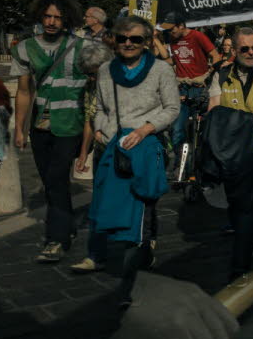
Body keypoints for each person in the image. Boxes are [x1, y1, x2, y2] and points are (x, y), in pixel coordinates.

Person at [75, 17, 178, 307]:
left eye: (135, 39)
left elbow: (172, 108)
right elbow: (103, 108)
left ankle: (133, 284)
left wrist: (146, 129)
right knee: (115, 214)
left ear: (146, 41)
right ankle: (129, 272)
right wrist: (101, 130)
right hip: (115, 149)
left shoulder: (161, 69)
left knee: (140, 217)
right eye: (122, 39)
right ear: (115, 41)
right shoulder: (107, 70)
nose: (128, 44)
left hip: (146, 147)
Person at [10, 0, 90, 263]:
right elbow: (23, 91)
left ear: (66, 20)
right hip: (40, 127)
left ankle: (56, 239)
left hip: (71, 125)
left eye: (57, 17)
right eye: (47, 16)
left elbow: (98, 86)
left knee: (56, 179)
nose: (52, 22)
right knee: (51, 183)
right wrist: (19, 129)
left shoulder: (83, 47)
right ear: (40, 16)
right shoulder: (24, 48)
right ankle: (65, 226)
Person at [206, 28, 253, 281]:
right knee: (236, 202)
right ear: (234, 50)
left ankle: (239, 267)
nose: (251, 53)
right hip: (227, 150)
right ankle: (249, 242)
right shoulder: (221, 75)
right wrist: (250, 120)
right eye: (245, 49)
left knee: (247, 206)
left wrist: (233, 120)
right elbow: (213, 114)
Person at [157, 11, 220, 153]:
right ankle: (180, 169)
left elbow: (215, 56)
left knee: (199, 131)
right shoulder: (172, 39)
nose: (169, 32)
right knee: (177, 129)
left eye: (172, 29)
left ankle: (197, 165)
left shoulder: (198, 36)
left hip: (199, 88)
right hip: (180, 88)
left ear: (181, 26)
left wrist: (209, 77)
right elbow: (175, 60)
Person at [73, 41, 115, 182]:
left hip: (120, 149)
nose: (90, 78)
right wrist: (83, 153)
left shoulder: (121, 84)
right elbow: (89, 119)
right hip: (101, 149)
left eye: (93, 73)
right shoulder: (90, 86)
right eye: (87, 74)